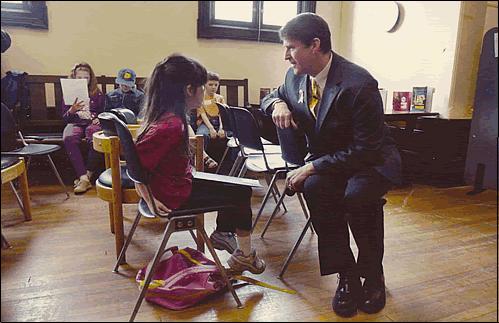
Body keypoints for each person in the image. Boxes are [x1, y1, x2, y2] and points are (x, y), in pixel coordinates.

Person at [261, 13, 401, 317]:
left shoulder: (359, 83)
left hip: (372, 161)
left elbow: (366, 149)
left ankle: (373, 275)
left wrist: (312, 166)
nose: (286, 56)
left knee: (358, 197)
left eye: (290, 48)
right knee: (316, 190)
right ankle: (347, 276)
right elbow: (272, 95)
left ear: (315, 45)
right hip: (334, 161)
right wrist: (278, 103)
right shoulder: (295, 76)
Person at [135, 54, 265, 274]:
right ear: (189, 89)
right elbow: (137, 168)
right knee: (242, 193)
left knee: (239, 186)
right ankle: (242, 254)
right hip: (174, 195)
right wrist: (150, 199)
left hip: (177, 183)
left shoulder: (167, 116)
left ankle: (226, 236)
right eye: (202, 87)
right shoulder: (172, 125)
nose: (205, 92)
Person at [62, 62, 105, 194]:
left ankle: (88, 175)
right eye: (79, 78)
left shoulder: (97, 93)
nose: (82, 81)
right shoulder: (68, 94)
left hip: (92, 123)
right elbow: (65, 118)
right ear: (74, 78)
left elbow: (103, 111)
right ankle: (83, 177)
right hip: (75, 123)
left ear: (90, 78)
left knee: (96, 135)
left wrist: (99, 118)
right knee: (69, 137)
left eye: (85, 78)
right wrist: (71, 110)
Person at [195, 71, 226, 147]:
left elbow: (222, 114)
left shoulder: (220, 98)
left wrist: (222, 128)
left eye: (216, 85)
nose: (213, 87)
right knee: (201, 135)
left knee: (233, 134)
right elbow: (203, 114)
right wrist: (211, 128)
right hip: (206, 123)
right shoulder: (200, 98)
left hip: (219, 122)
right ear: (205, 84)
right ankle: (201, 157)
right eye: (210, 84)